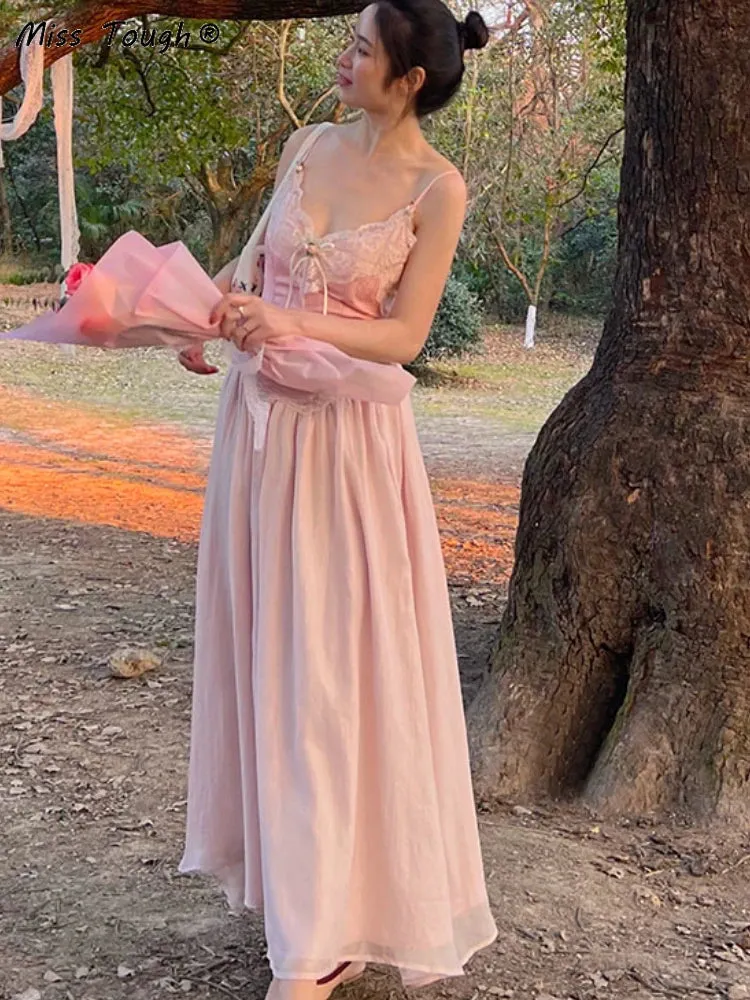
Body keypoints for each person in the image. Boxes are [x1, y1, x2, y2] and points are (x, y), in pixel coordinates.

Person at [176, 2, 498, 998]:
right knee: (269, 663)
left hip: (349, 453)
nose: (343, 57)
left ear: (409, 79)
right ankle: (305, 902)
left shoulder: (438, 188)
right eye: (349, 40)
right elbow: (249, 267)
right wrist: (201, 314)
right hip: (259, 438)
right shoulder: (308, 144)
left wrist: (290, 322)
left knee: (328, 676)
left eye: (361, 48)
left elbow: (404, 337)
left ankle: (320, 941)